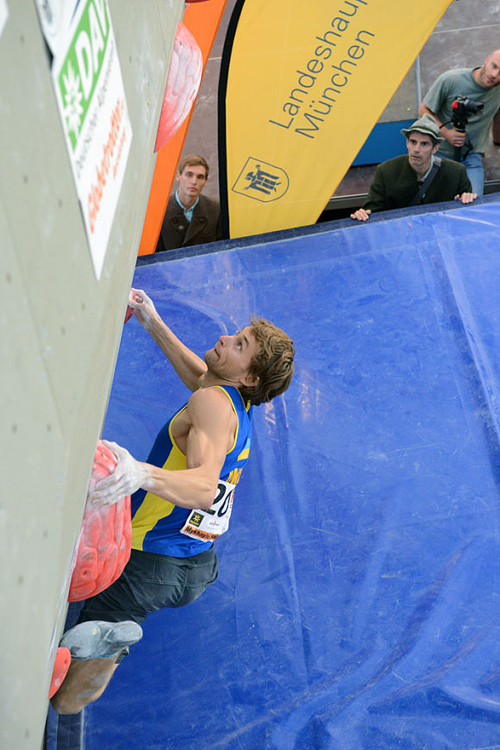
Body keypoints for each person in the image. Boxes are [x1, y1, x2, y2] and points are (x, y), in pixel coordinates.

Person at [50, 289, 295, 715]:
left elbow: (203, 487)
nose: (226, 339)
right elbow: (201, 377)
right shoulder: (231, 402)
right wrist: (151, 320)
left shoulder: (211, 407)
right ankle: (109, 639)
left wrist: (138, 473)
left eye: (240, 345)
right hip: (196, 566)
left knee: (63, 700)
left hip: (147, 563)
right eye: (236, 333)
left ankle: (107, 649)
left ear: (250, 377)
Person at [350, 114, 476, 221]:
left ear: (435, 148)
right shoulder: (385, 171)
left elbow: (465, 215)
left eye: (424, 144)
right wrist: (362, 214)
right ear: (407, 143)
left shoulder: (455, 172)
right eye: (413, 142)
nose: (416, 149)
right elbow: (371, 211)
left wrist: (467, 199)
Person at [418, 50, 500, 196]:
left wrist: (497, 141)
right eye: (494, 66)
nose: (495, 75)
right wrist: (446, 133)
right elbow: (423, 110)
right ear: (486, 60)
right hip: (440, 153)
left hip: (471, 155)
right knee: (438, 203)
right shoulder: (451, 80)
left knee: (473, 204)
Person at [155, 154, 222, 251]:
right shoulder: (160, 210)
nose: (194, 181)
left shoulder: (215, 209)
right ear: (178, 176)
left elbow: (222, 249)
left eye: (200, 177)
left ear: (205, 181)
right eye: (189, 175)